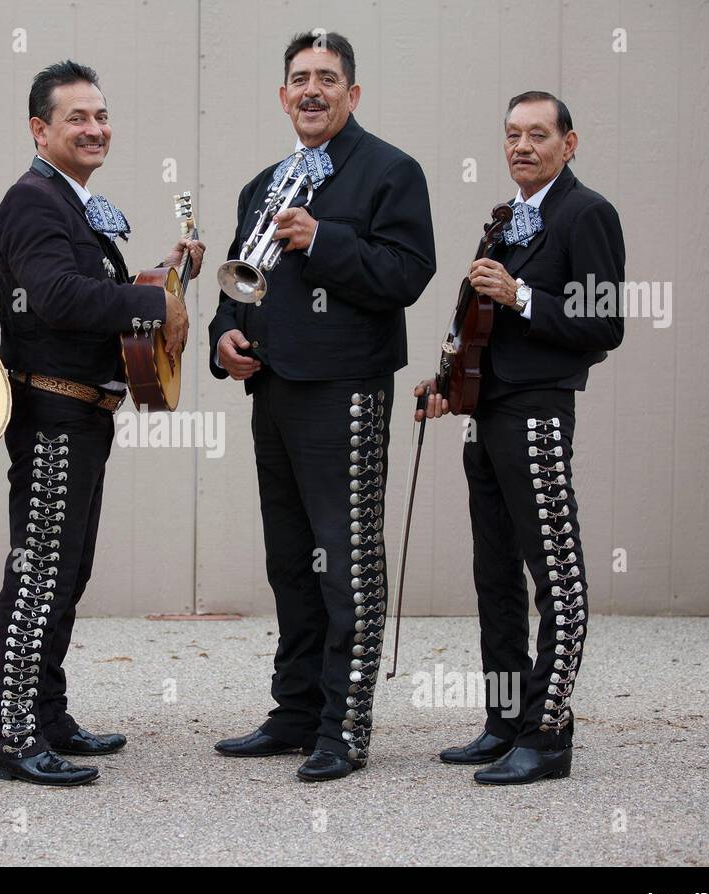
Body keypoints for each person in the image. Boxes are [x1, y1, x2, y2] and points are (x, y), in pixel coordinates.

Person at [209, 32, 436, 782]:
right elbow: (237, 289)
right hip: (273, 391)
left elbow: (406, 274)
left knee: (347, 563)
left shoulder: (392, 172)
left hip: (346, 392)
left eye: (327, 79)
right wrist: (223, 339)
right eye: (299, 79)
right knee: (290, 563)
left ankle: (345, 725)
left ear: (353, 94)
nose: (312, 90)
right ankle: (295, 711)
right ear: (283, 97)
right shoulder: (262, 183)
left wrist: (322, 238)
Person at [0, 61, 204, 786]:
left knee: (65, 571)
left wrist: (163, 277)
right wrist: (151, 307)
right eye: (77, 118)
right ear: (39, 129)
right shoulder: (33, 202)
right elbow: (53, 295)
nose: (95, 128)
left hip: (82, 413)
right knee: (40, 572)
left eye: (101, 115)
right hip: (51, 413)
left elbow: (96, 292)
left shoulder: (71, 203)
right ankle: (15, 737)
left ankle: (47, 715)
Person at [417, 91, 625, 785]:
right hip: (489, 418)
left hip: (537, 413)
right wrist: (446, 382)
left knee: (555, 575)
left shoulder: (586, 213)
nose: (522, 146)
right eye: (512, 134)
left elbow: (604, 322)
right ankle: (504, 723)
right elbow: (476, 326)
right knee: (496, 579)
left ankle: (549, 732)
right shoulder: (507, 219)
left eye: (539, 134)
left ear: (570, 142)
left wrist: (523, 297)